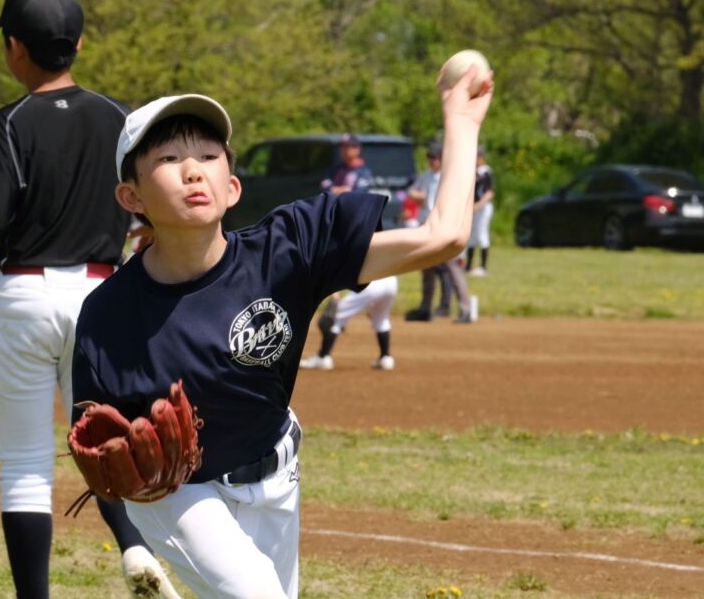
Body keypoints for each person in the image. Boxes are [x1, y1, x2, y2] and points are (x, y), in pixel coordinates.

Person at [71, 63, 492, 597]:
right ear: (131, 198)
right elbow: (97, 445)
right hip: (178, 495)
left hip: (277, 477)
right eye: (169, 159)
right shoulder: (109, 315)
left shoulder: (288, 248)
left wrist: (461, 119)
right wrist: (132, 493)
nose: (193, 170)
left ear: (232, 187)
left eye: (207, 155)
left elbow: (446, 236)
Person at [0, 0, 178, 599]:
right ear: (76, 44)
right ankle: (132, 548)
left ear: (16, 48)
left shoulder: (10, 122)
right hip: (101, 292)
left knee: (24, 465)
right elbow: (150, 204)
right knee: (105, 443)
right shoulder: (119, 116)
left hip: (24, 294)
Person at [405, 140, 472, 324]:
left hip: (445, 227)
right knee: (426, 268)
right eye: (430, 157)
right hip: (426, 226)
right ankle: (425, 309)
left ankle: (466, 310)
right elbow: (413, 192)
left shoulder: (449, 176)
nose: (432, 161)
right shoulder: (425, 176)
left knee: (452, 268)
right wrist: (416, 197)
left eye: (435, 157)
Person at [298, 276, 399, 371]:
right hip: (391, 282)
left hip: (371, 283)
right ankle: (386, 358)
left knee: (336, 317)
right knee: (381, 319)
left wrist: (334, 292)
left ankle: (323, 357)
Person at [465, 145, 494, 276]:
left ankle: (483, 266)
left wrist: (479, 205)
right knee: (471, 236)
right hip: (473, 207)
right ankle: (468, 266)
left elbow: (489, 192)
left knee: (482, 234)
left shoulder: (486, 172)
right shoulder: (474, 172)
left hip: (482, 208)